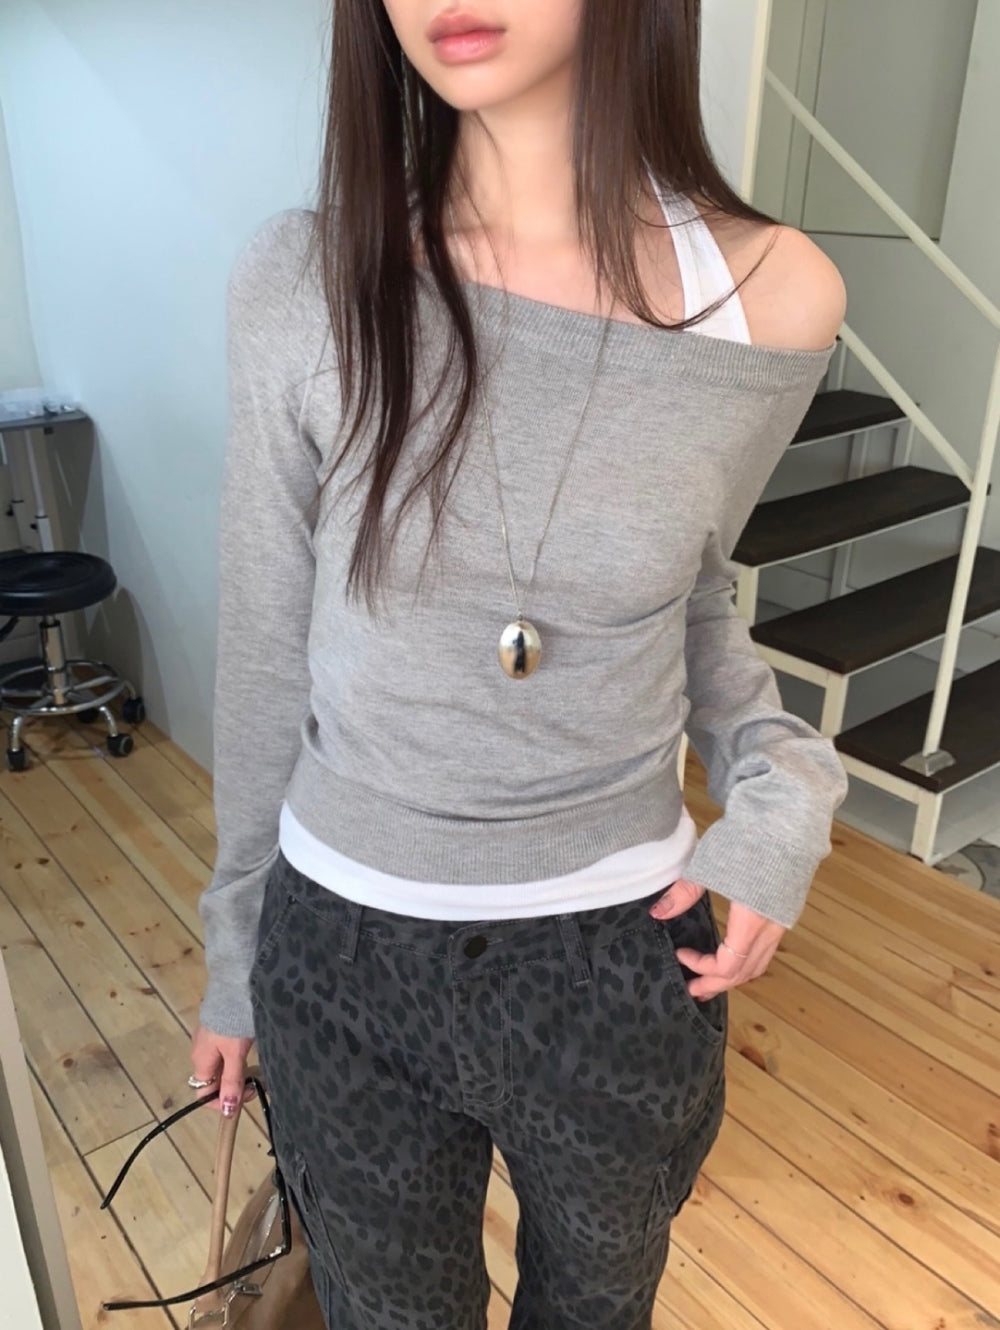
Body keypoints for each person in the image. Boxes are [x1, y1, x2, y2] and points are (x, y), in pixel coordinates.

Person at [190, 2, 849, 1326]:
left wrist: (785, 791)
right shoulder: (305, 280)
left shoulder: (771, 297)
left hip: (614, 961)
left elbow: (685, 592)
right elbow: (264, 643)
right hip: (343, 955)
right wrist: (234, 952)